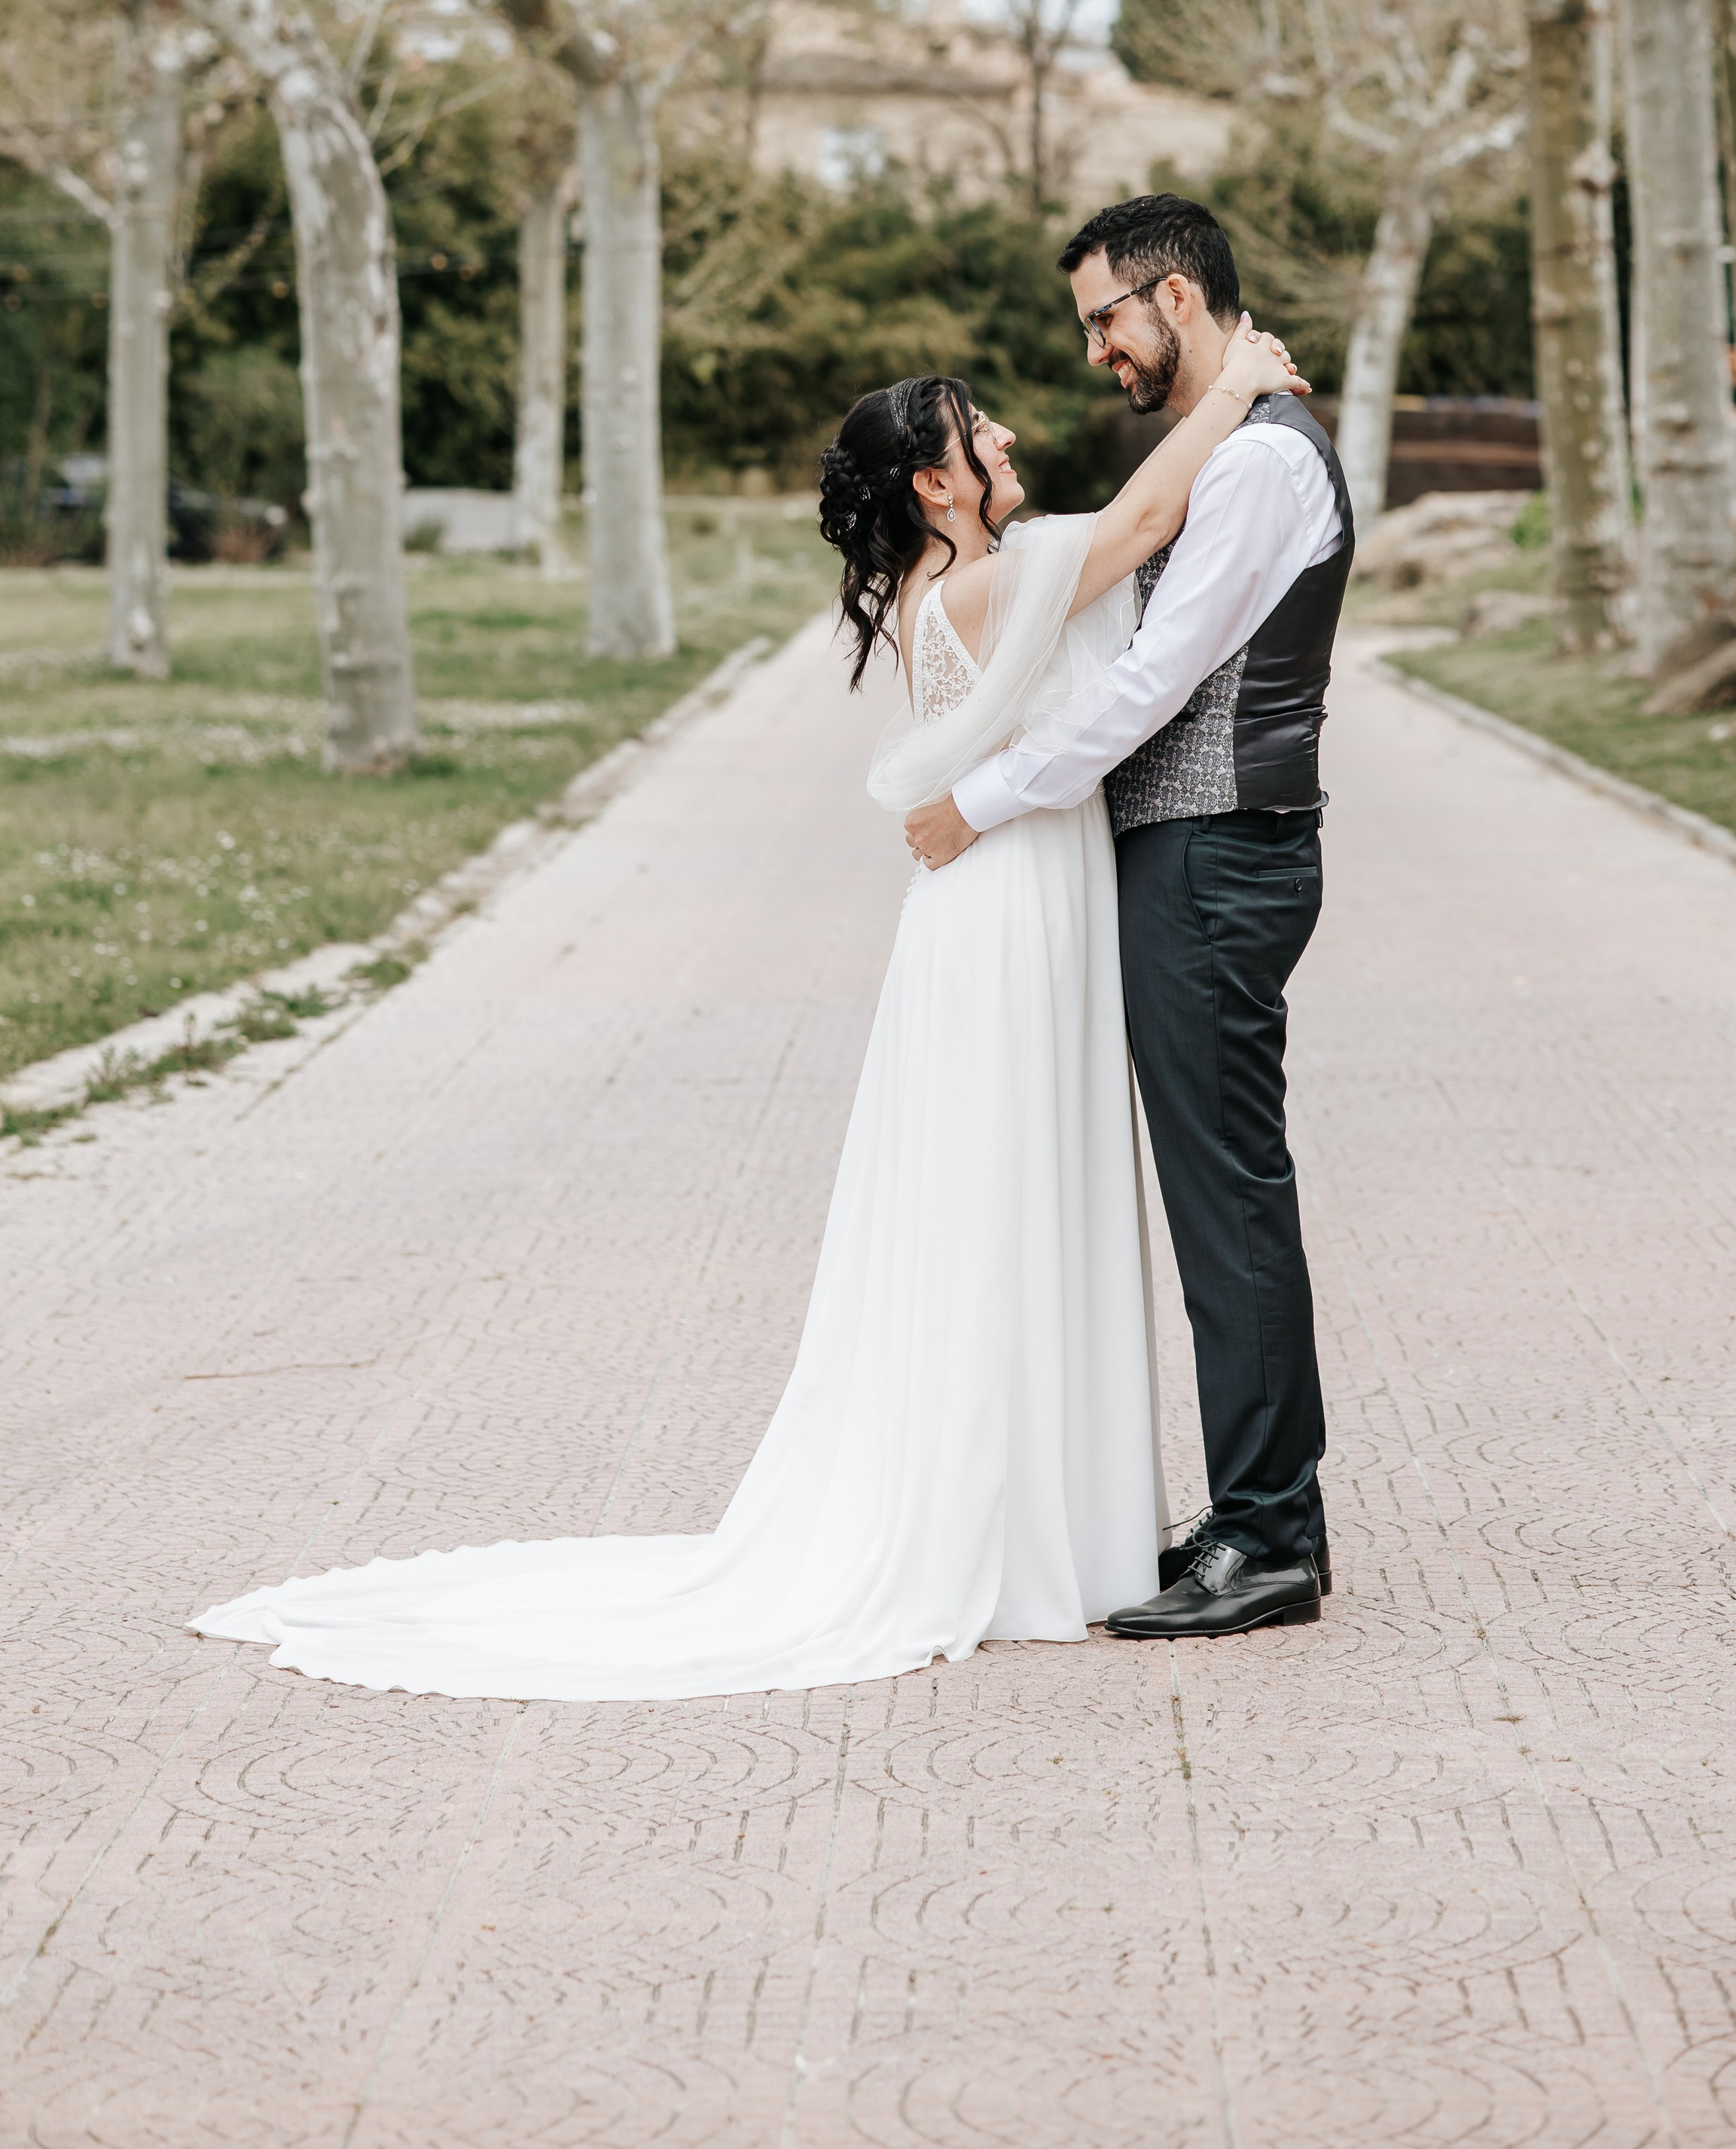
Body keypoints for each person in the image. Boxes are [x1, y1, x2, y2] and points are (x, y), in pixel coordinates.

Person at [186, 310, 1301, 1700]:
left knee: (1016, 1190)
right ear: (937, 485)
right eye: (981, 429)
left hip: (1008, 897)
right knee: (1006, 1192)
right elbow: (1142, 525)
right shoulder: (979, 591)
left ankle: (1046, 1515)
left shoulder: (957, 587)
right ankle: (1013, 1526)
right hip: (1009, 910)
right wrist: (1242, 384)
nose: (1009, 435)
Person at [908, 194, 1353, 1644]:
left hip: (1223, 857)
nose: (1097, 351)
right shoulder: (1236, 442)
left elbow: (1153, 679)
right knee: (1219, 1190)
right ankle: (1260, 1510)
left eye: (1106, 317)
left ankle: (1271, 1535)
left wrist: (989, 799)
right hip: (1194, 855)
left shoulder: (1262, 470)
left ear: (1173, 292)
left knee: (1227, 1194)